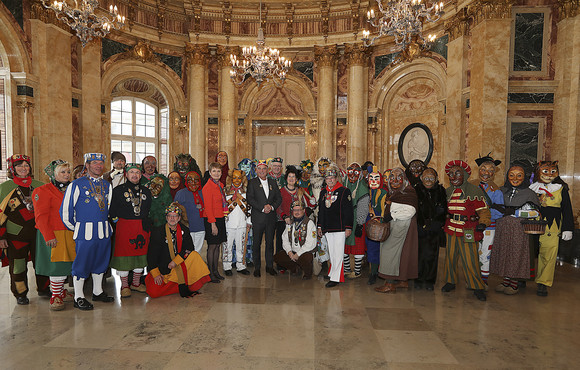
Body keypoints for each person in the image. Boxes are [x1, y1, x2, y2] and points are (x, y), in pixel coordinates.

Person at [61, 153, 115, 310]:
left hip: (103, 231)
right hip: (85, 232)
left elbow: (109, 208)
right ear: (87, 165)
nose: (98, 166)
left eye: (100, 163)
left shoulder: (106, 185)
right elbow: (66, 211)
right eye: (94, 163)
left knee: (101, 262)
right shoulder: (76, 184)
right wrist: (77, 228)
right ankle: (78, 296)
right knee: (82, 263)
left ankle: (98, 292)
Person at [0, 154, 48, 305]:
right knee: (18, 266)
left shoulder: (40, 185)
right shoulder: (5, 188)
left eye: (26, 165)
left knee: (42, 262)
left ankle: (44, 288)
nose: (23, 168)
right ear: (12, 169)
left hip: (39, 233)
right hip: (16, 234)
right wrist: (1, 237)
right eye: (19, 165)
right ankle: (20, 293)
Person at [441, 160, 491, 301]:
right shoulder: (447, 191)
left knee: (470, 259)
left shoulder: (474, 191)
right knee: (450, 257)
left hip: (468, 230)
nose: (453, 176)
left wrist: (483, 222)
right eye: (451, 174)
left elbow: (483, 210)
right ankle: (450, 281)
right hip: (451, 229)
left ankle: (477, 286)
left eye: (457, 173)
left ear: (464, 174)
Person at [33, 160, 76, 310]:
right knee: (56, 266)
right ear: (53, 174)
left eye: (68, 172)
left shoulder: (72, 188)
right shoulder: (42, 191)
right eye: (62, 172)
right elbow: (40, 216)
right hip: (54, 234)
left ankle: (61, 291)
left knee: (67, 265)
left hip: (70, 233)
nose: (66, 175)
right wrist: (48, 235)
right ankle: (55, 296)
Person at [491, 165, 540, 295]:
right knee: (504, 253)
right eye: (512, 175)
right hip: (502, 227)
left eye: (519, 175)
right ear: (507, 176)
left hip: (519, 229)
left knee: (516, 253)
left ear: (524, 177)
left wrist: (516, 212)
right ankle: (505, 280)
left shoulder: (529, 193)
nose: (515, 178)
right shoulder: (501, 190)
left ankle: (514, 283)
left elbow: (535, 213)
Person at [145, 203, 211, 298]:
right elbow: (151, 255)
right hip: (163, 268)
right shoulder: (158, 231)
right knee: (153, 293)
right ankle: (179, 284)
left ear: (179, 218)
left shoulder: (185, 230)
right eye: (170, 216)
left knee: (195, 255)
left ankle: (180, 284)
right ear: (166, 218)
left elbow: (189, 248)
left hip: (179, 264)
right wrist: (156, 274)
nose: (172, 219)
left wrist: (175, 262)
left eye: (175, 216)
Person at [529, 161, 574, 297]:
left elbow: (567, 210)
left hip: (552, 226)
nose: (549, 175)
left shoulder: (561, 189)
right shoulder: (531, 188)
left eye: (552, 171)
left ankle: (543, 282)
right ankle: (521, 278)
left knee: (549, 254)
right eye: (545, 171)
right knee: (527, 253)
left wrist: (567, 228)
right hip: (532, 224)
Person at [109, 163, 153, 298]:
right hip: (125, 227)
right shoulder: (117, 190)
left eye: (138, 172)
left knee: (140, 255)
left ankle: (135, 283)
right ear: (126, 174)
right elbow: (112, 211)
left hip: (142, 227)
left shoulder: (146, 191)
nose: (135, 175)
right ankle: (124, 286)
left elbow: (149, 209)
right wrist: (118, 224)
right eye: (132, 172)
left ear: (141, 175)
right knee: (124, 256)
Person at [375, 168, 419, 294]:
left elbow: (410, 211)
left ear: (404, 179)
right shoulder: (395, 192)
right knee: (403, 253)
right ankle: (402, 281)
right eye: (392, 177)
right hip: (400, 225)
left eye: (399, 177)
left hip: (401, 225)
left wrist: (391, 216)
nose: (395, 180)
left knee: (389, 251)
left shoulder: (408, 191)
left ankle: (389, 283)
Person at [317, 166, 353, 288]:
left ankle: (336, 278)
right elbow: (320, 211)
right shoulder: (323, 192)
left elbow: (348, 211)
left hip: (340, 227)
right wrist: (319, 226)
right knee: (332, 252)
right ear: (325, 180)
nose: (330, 180)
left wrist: (348, 227)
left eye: (332, 178)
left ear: (336, 178)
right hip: (327, 227)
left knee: (338, 253)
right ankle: (333, 272)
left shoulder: (344, 191)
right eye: (328, 178)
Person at [471, 154, 504, 286]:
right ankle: (472, 278)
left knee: (485, 254)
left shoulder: (496, 190)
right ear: (479, 170)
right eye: (484, 169)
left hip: (488, 228)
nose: (487, 173)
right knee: (472, 252)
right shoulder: (471, 186)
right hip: (471, 225)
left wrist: (485, 217)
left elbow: (499, 212)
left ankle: (483, 281)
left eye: (491, 170)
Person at [247, 159, 282, 277]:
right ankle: (257, 267)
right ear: (256, 171)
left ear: (268, 170)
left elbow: (279, 198)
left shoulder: (273, 182)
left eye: (264, 169)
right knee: (256, 243)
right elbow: (250, 199)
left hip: (271, 218)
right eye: (259, 169)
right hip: (258, 217)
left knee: (270, 243)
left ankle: (269, 266)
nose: (262, 171)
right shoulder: (252, 183)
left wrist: (271, 207)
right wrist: (262, 208)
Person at [414, 168, 447, 290]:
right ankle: (418, 278)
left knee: (432, 255)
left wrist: (436, 223)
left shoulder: (440, 190)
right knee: (419, 254)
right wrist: (421, 223)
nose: (428, 180)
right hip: (419, 228)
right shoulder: (416, 190)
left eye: (431, 178)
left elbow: (443, 209)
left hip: (434, 228)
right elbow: (414, 209)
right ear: (421, 178)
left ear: (436, 179)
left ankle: (429, 280)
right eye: (426, 178)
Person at [275, 166, 311, 271]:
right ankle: (281, 265)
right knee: (282, 243)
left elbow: (304, 205)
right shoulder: (281, 191)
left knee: (296, 242)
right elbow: (278, 206)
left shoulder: (300, 191)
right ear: (286, 178)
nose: (291, 179)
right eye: (289, 176)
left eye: (293, 177)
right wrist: (284, 216)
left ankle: (295, 263)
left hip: (297, 222)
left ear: (296, 179)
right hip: (283, 221)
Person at [273, 200, 317, 279]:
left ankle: (308, 273)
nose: (297, 212)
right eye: (295, 210)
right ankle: (295, 268)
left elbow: (311, 243)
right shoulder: (290, 222)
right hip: (293, 251)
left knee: (305, 258)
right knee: (277, 257)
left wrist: (298, 254)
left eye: (299, 210)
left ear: (304, 210)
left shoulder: (309, 223)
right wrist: (289, 252)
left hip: (305, 251)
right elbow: (285, 238)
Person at [202, 162, 228, 282]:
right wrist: (213, 224)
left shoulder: (220, 185)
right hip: (211, 220)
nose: (216, 173)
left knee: (218, 245)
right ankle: (210, 273)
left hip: (220, 218)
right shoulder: (208, 187)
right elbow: (208, 207)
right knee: (212, 246)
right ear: (210, 173)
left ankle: (216, 271)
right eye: (214, 171)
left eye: (218, 171)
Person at [343, 163, 369, 279]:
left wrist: (360, 223)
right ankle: (347, 269)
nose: (353, 175)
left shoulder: (362, 187)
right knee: (344, 245)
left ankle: (357, 271)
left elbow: (363, 206)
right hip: (345, 219)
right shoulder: (345, 184)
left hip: (357, 219)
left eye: (356, 172)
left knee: (358, 245)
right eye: (350, 172)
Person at [224, 168, 251, 276]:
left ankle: (241, 265)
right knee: (227, 246)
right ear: (230, 178)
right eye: (234, 177)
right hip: (228, 224)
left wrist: (249, 221)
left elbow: (249, 208)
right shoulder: (225, 191)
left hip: (242, 224)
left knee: (241, 246)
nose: (236, 180)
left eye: (239, 178)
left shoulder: (246, 192)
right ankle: (227, 266)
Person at [365, 166, 388, 285]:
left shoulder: (384, 192)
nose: (373, 181)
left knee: (379, 247)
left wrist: (381, 221)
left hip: (379, 221)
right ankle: (373, 271)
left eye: (376, 178)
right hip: (369, 220)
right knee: (371, 247)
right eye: (371, 179)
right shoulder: (367, 191)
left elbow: (384, 209)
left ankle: (379, 272)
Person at [174, 171, 206, 253]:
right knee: (187, 250)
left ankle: (195, 264)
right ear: (186, 182)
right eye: (190, 181)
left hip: (201, 226)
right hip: (187, 227)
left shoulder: (204, 192)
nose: (193, 183)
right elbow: (176, 211)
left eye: (196, 180)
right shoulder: (181, 193)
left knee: (197, 250)